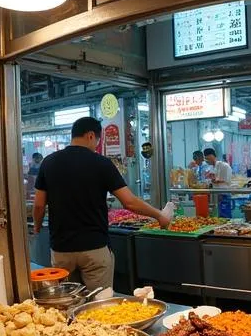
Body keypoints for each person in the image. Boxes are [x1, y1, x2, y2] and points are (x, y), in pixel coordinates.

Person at [33, 117, 173, 291]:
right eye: (98, 141)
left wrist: (37, 227)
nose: (97, 146)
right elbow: (129, 202)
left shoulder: (49, 162)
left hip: (61, 249)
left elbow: (39, 205)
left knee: (67, 301)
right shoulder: (101, 163)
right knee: (100, 303)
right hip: (94, 248)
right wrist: (159, 215)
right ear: (91, 136)